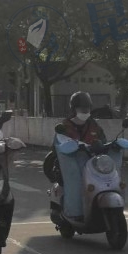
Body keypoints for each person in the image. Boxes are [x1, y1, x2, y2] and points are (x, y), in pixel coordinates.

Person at [49, 91, 107, 220]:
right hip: (72, 164)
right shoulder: (65, 126)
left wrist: (103, 145)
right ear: (74, 109)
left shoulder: (94, 125)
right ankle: (74, 212)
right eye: (82, 108)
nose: (85, 111)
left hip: (92, 164)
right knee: (76, 183)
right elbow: (57, 146)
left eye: (87, 108)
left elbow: (103, 140)